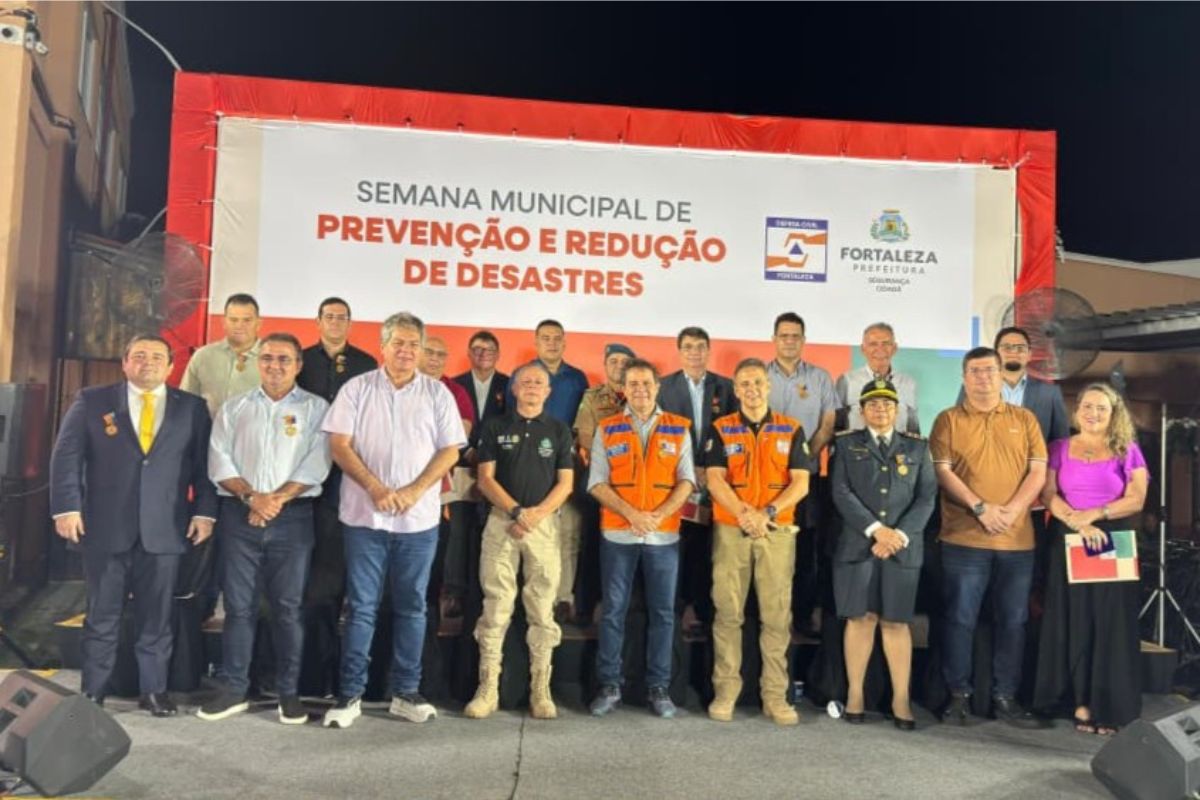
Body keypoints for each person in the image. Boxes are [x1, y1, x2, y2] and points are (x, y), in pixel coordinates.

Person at [49, 333, 217, 716]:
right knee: (102, 616)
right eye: (139, 356)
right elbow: (66, 457)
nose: (148, 362)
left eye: (158, 357)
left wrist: (205, 513)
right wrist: (66, 509)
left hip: (165, 531)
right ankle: (93, 691)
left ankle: (154, 691)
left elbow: (205, 467)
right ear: (124, 363)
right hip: (105, 529)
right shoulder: (93, 401)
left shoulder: (190, 407)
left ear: (172, 367)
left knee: (157, 619)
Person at [320, 312, 467, 729]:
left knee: (413, 608)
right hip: (365, 517)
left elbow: (450, 451)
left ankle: (406, 692)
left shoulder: (437, 394)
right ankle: (349, 696)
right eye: (398, 343)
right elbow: (339, 445)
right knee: (362, 607)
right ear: (383, 346)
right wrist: (376, 488)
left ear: (421, 351)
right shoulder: (356, 388)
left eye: (413, 345)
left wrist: (417, 490)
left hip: (418, 522)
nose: (405, 352)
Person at [199, 332, 332, 724]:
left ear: (298, 365)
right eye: (268, 358)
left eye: (284, 360)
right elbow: (218, 461)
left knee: (288, 609)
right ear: (259, 362)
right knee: (238, 609)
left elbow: (317, 463)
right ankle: (234, 689)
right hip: (239, 518)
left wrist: (274, 501)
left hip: (293, 520)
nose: (275, 366)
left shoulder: (317, 408)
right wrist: (252, 498)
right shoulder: (235, 407)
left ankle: (288, 694)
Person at [930, 346, 1047, 727]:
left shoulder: (1025, 419)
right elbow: (943, 472)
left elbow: (1038, 471)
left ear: (1001, 375)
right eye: (975, 371)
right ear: (964, 377)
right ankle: (958, 696)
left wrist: (1012, 510)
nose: (983, 377)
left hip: (1017, 542)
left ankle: (1006, 698)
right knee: (959, 620)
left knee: (1013, 622)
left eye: (990, 370)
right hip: (964, 540)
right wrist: (981, 508)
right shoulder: (947, 420)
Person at [1034, 383, 1149, 735]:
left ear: (1113, 414)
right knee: (1074, 621)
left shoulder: (1128, 450)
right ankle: (1079, 703)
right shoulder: (1059, 447)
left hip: (1113, 539)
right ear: (1076, 410)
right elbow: (1048, 493)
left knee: (1110, 625)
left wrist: (1095, 515)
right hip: (1069, 539)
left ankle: (1109, 707)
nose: (1093, 413)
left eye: (1101, 408)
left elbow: (1137, 498)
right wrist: (1076, 522)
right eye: (1087, 406)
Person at [464, 363, 574, 720]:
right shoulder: (495, 426)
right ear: (513, 389)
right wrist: (514, 511)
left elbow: (567, 483)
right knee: (496, 607)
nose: (531, 387)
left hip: (542, 526)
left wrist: (536, 514)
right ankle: (488, 689)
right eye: (525, 381)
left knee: (542, 609)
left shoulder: (558, 431)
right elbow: (485, 478)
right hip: (501, 523)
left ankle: (540, 691)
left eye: (538, 383)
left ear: (548, 391)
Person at [705, 358, 812, 725]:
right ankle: (726, 692)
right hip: (731, 531)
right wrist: (744, 515)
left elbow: (801, 483)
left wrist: (764, 514)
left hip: (776, 532)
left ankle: (775, 696)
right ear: (735, 390)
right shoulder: (720, 429)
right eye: (744, 384)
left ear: (769, 387)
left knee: (776, 617)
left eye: (757, 383)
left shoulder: (791, 429)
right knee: (728, 614)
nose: (752, 390)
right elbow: (715, 480)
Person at [587, 359, 695, 719]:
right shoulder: (608, 428)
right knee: (613, 612)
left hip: (663, 537)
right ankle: (609, 685)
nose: (640, 390)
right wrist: (632, 514)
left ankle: (659, 687)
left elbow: (687, 481)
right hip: (618, 533)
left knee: (664, 614)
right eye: (632, 384)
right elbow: (597, 483)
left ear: (657, 386)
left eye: (646, 383)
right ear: (624, 389)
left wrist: (657, 516)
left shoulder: (679, 428)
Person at [830, 379, 937, 731]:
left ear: (898, 410)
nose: (881, 410)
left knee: (895, 622)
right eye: (873, 405)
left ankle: (900, 699)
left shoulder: (918, 448)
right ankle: (856, 695)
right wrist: (877, 532)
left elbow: (926, 499)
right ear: (862, 411)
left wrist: (897, 536)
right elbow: (841, 492)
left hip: (902, 549)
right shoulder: (846, 445)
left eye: (888, 405)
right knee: (860, 619)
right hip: (859, 547)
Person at [296, 297, 377, 697]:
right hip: (297, 487)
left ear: (350, 322)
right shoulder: (298, 360)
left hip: (348, 485)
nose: (335, 322)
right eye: (328, 316)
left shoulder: (366, 365)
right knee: (303, 588)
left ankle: (335, 678)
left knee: (337, 586)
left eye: (342, 317)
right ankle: (300, 675)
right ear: (318, 321)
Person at [657, 326, 737, 631]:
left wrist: (711, 468)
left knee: (709, 551)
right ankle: (674, 610)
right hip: (677, 481)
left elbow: (733, 432)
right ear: (679, 352)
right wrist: (690, 470)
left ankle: (704, 611)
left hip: (716, 481)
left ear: (708, 350)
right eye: (688, 347)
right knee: (677, 548)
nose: (694, 352)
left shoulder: (726, 388)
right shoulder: (663, 388)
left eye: (700, 346)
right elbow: (661, 436)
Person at [511, 320, 590, 621]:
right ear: (536, 341)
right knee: (529, 529)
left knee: (568, 532)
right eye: (546, 338)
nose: (552, 343)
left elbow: (582, 424)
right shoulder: (523, 376)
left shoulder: (577, 378)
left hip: (566, 464)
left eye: (557, 338)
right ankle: (530, 599)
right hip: (529, 464)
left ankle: (563, 598)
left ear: (564, 342)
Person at [765, 312, 837, 636]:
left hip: (805, 478)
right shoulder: (759, 377)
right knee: (765, 549)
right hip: (764, 479)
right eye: (784, 335)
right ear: (774, 339)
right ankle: (766, 617)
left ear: (804, 341)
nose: (789, 341)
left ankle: (804, 616)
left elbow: (828, 425)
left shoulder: (821, 378)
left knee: (805, 552)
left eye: (795, 336)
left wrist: (803, 457)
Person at [419, 335, 475, 629]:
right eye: (429, 352)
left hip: (435, 486)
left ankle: (432, 613)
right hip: (389, 486)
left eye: (442, 354)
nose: (435, 359)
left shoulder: (455, 391)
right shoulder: (394, 386)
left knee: (434, 556)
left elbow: (457, 438)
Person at [181, 293, 264, 416]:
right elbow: (186, 401)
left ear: (258, 323)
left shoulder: (273, 358)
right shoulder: (203, 356)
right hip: (209, 432)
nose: (239, 326)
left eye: (247, 320)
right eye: (233, 320)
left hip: (256, 434)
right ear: (224, 322)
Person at [835, 322, 921, 434]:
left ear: (894, 348)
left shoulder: (908, 383)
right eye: (873, 344)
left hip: (898, 450)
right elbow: (836, 425)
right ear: (863, 349)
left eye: (886, 343)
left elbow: (913, 428)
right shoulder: (846, 381)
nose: (880, 349)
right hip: (857, 450)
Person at [451, 330, 509, 436]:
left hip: (497, 450)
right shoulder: (454, 385)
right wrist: (466, 450)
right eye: (478, 350)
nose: (484, 354)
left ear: (498, 354)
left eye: (490, 350)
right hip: (462, 450)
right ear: (469, 353)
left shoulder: (509, 384)